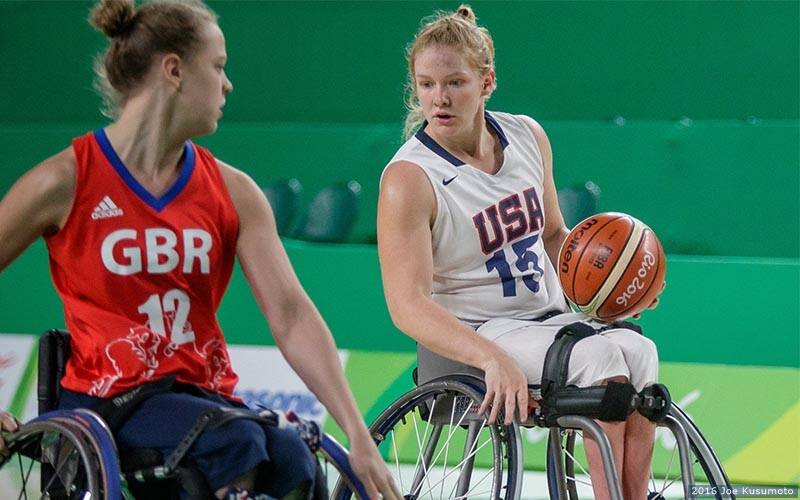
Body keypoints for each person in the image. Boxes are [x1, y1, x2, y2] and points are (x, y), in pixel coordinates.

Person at [0, 1, 400, 499]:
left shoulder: (233, 191)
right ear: (174, 70)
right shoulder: (65, 180)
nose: (228, 84)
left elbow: (291, 314)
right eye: (218, 65)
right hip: (108, 403)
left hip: (203, 398)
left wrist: (358, 437)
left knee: (294, 458)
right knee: (234, 444)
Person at [377, 5, 661, 500]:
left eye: (454, 83)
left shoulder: (528, 136)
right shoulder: (410, 179)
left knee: (638, 350)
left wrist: (610, 293)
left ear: (487, 82)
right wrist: (489, 357)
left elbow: (554, 236)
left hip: (546, 318)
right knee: (603, 363)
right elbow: (407, 305)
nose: (438, 99)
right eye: (425, 84)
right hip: (477, 335)